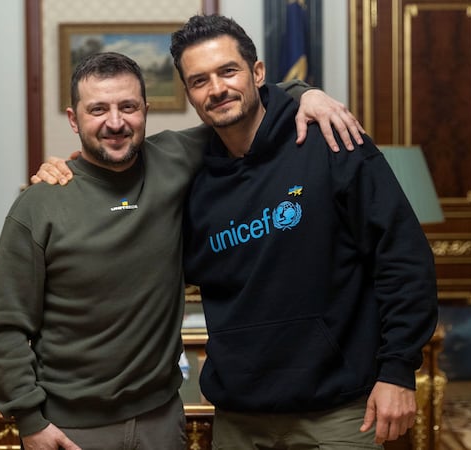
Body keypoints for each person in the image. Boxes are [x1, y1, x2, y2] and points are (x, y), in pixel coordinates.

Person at [0, 51, 364, 450]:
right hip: (70, 428)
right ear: (74, 119)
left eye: (128, 107)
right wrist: (29, 421)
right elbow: (6, 326)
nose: (115, 122)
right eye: (98, 110)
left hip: (161, 420)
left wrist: (305, 93)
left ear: (145, 111)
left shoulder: (175, 158)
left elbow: (243, 103)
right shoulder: (40, 204)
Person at [172, 15, 438, 449]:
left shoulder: (332, 141)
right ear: (190, 94)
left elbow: (401, 256)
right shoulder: (190, 178)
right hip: (241, 417)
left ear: (257, 73)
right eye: (199, 80)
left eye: (228, 71)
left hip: (338, 410)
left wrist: (398, 368)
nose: (216, 88)